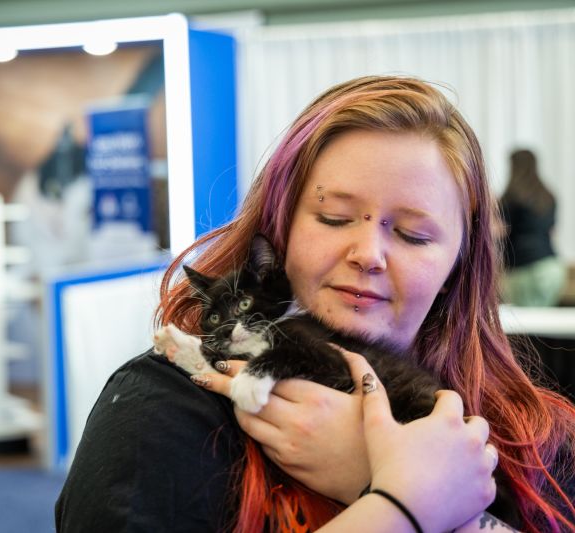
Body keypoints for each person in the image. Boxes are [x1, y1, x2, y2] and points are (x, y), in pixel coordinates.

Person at [55, 76, 575, 532]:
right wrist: (397, 503)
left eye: (414, 235)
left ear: (456, 267)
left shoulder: (534, 433)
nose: (368, 254)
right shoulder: (166, 413)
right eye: (333, 218)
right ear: (279, 232)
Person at [500, 149, 567, 307]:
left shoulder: (510, 196)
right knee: (542, 324)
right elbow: (552, 231)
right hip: (551, 268)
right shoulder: (549, 196)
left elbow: (503, 230)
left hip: (521, 269)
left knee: (523, 327)